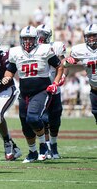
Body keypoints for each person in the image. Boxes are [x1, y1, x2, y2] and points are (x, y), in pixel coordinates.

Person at [2, 26, 63, 163]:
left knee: (33, 118)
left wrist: (56, 83)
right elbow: (10, 70)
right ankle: (32, 152)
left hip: (41, 91)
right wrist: (7, 77)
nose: (27, 41)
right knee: (25, 125)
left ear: (36, 39)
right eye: (25, 38)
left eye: (30, 38)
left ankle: (43, 146)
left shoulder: (44, 49)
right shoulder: (15, 52)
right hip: (24, 93)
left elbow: (59, 66)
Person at [36, 24, 68, 159]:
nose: (40, 36)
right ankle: (47, 145)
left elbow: (63, 64)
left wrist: (62, 76)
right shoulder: (33, 48)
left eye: (43, 34)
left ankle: (53, 145)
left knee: (55, 120)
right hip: (40, 88)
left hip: (54, 88)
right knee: (42, 119)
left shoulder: (57, 46)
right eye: (39, 33)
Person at [65, 24, 97, 125]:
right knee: (95, 113)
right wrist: (68, 61)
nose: (91, 38)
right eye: (89, 36)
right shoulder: (79, 50)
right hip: (94, 89)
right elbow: (66, 63)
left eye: (94, 35)